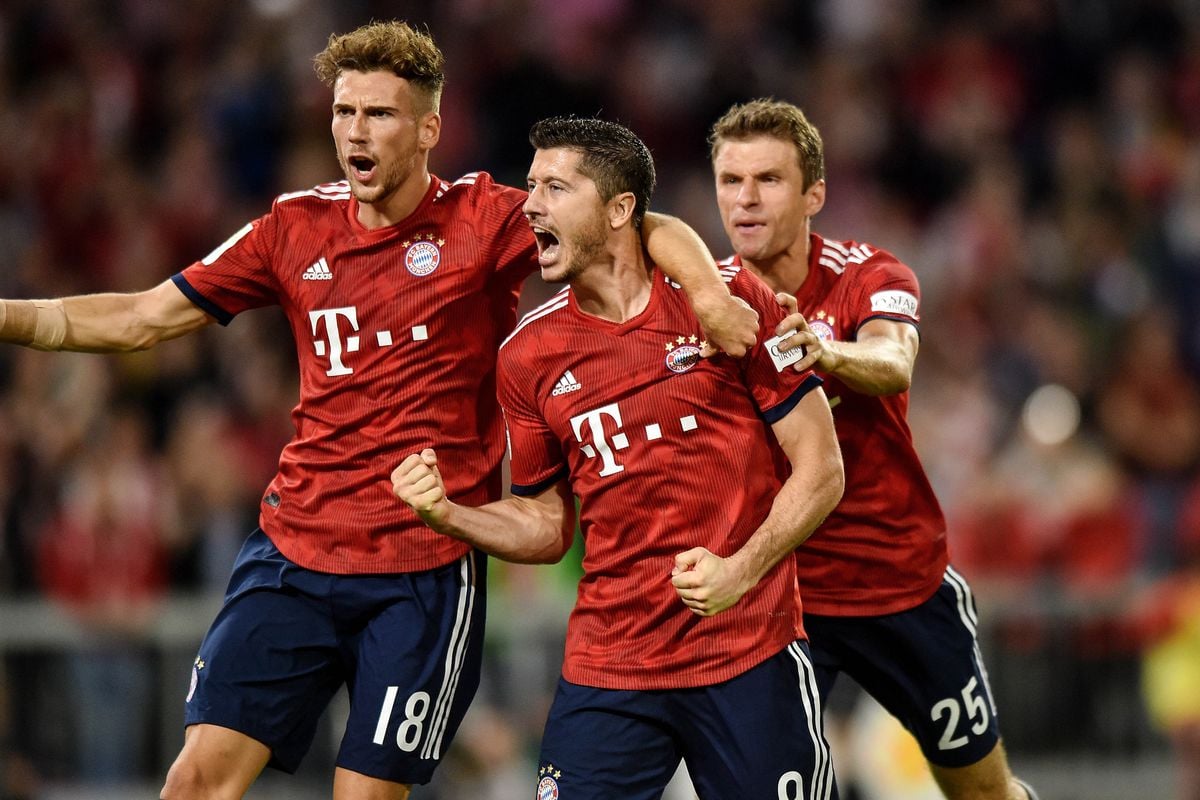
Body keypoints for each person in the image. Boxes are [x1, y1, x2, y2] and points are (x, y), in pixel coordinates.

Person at [0, 21, 758, 800]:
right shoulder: (292, 227)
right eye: (343, 112)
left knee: (362, 797)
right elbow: (141, 318)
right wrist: (7, 316)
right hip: (295, 552)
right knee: (193, 781)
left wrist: (709, 295)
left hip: (420, 575)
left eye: (380, 114)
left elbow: (637, 221)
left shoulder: (486, 219)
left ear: (429, 128)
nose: (355, 132)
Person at [392, 116, 845, 799]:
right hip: (611, 670)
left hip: (748, 654)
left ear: (619, 209)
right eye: (530, 185)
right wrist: (448, 513)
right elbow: (547, 526)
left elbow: (822, 469)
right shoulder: (525, 357)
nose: (531, 204)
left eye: (555, 187)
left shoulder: (726, 305)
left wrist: (740, 572)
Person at [708, 97, 1040, 800]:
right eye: (730, 181)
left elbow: (894, 363)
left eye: (768, 180)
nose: (745, 199)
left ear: (814, 195)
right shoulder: (706, 301)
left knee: (982, 792)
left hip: (901, 582)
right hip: (785, 598)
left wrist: (823, 351)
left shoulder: (870, 275)